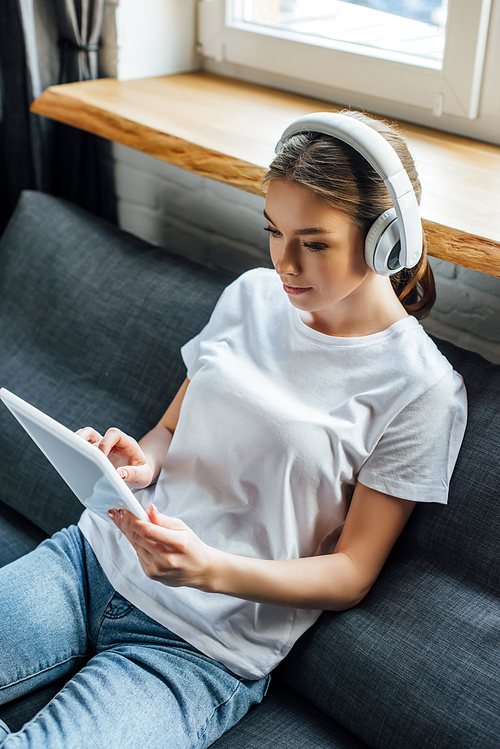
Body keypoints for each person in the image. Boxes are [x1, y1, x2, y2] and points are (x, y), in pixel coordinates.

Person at [0, 111, 467, 748]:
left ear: (387, 241)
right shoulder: (251, 295)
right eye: (274, 232)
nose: (285, 262)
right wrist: (138, 462)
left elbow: (352, 572)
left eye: (315, 241)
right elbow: (170, 428)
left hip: (200, 650)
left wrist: (209, 570)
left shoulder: (422, 388)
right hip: (91, 560)